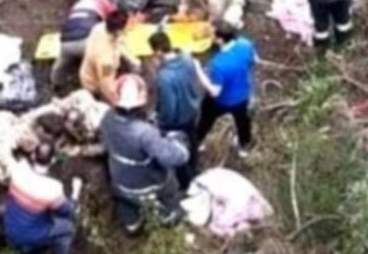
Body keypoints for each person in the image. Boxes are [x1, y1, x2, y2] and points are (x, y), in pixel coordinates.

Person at [99, 74, 190, 235]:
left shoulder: (107, 119)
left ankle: (132, 226)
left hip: (121, 183)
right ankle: (168, 217)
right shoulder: (145, 133)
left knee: (126, 203)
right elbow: (170, 157)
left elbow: (105, 141)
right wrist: (179, 144)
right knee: (169, 190)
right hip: (148, 185)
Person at [193, 24, 258, 158]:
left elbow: (215, 92)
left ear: (220, 40)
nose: (210, 36)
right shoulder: (245, 44)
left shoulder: (218, 64)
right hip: (243, 96)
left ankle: (198, 143)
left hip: (221, 101)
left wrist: (198, 70)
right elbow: (254, 60)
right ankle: (243, 147)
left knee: (205, 121)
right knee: (243, 122)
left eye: (212, 34)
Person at [4, 142, 80, 254]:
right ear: (53, 160)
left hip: (9, 228)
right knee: (67, 228)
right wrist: (75, 192)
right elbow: (69, 212)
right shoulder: (53, 188)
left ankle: (28, 249)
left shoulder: (18, 169)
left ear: (33, 155)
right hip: (31, 235)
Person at [150, 31, 201, 189]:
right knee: (192, 141)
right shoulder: (187, 59)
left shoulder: (164, 77)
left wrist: (161, 121)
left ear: (158, 51)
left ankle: (186, 183)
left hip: (176, 121)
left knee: (178, 152)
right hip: (192, 110)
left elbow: (169, 106)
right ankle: (195, 166)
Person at [51, 0, 119, 92]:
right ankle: (99, 87)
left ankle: (56, 84)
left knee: (61, 62)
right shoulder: (104, 7)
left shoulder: (82, 3)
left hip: (65, 40)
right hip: (84, 41)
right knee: (102, 58)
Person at [79, 8, 138, 105]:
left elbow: (119, 42)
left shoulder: (100, 27)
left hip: (89, 69)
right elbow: (106, 86)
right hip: (95, 83)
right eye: (127, 26)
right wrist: (118, 103)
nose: (129, 28)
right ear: (118, 31)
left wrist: (132, 59)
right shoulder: (106, 61)